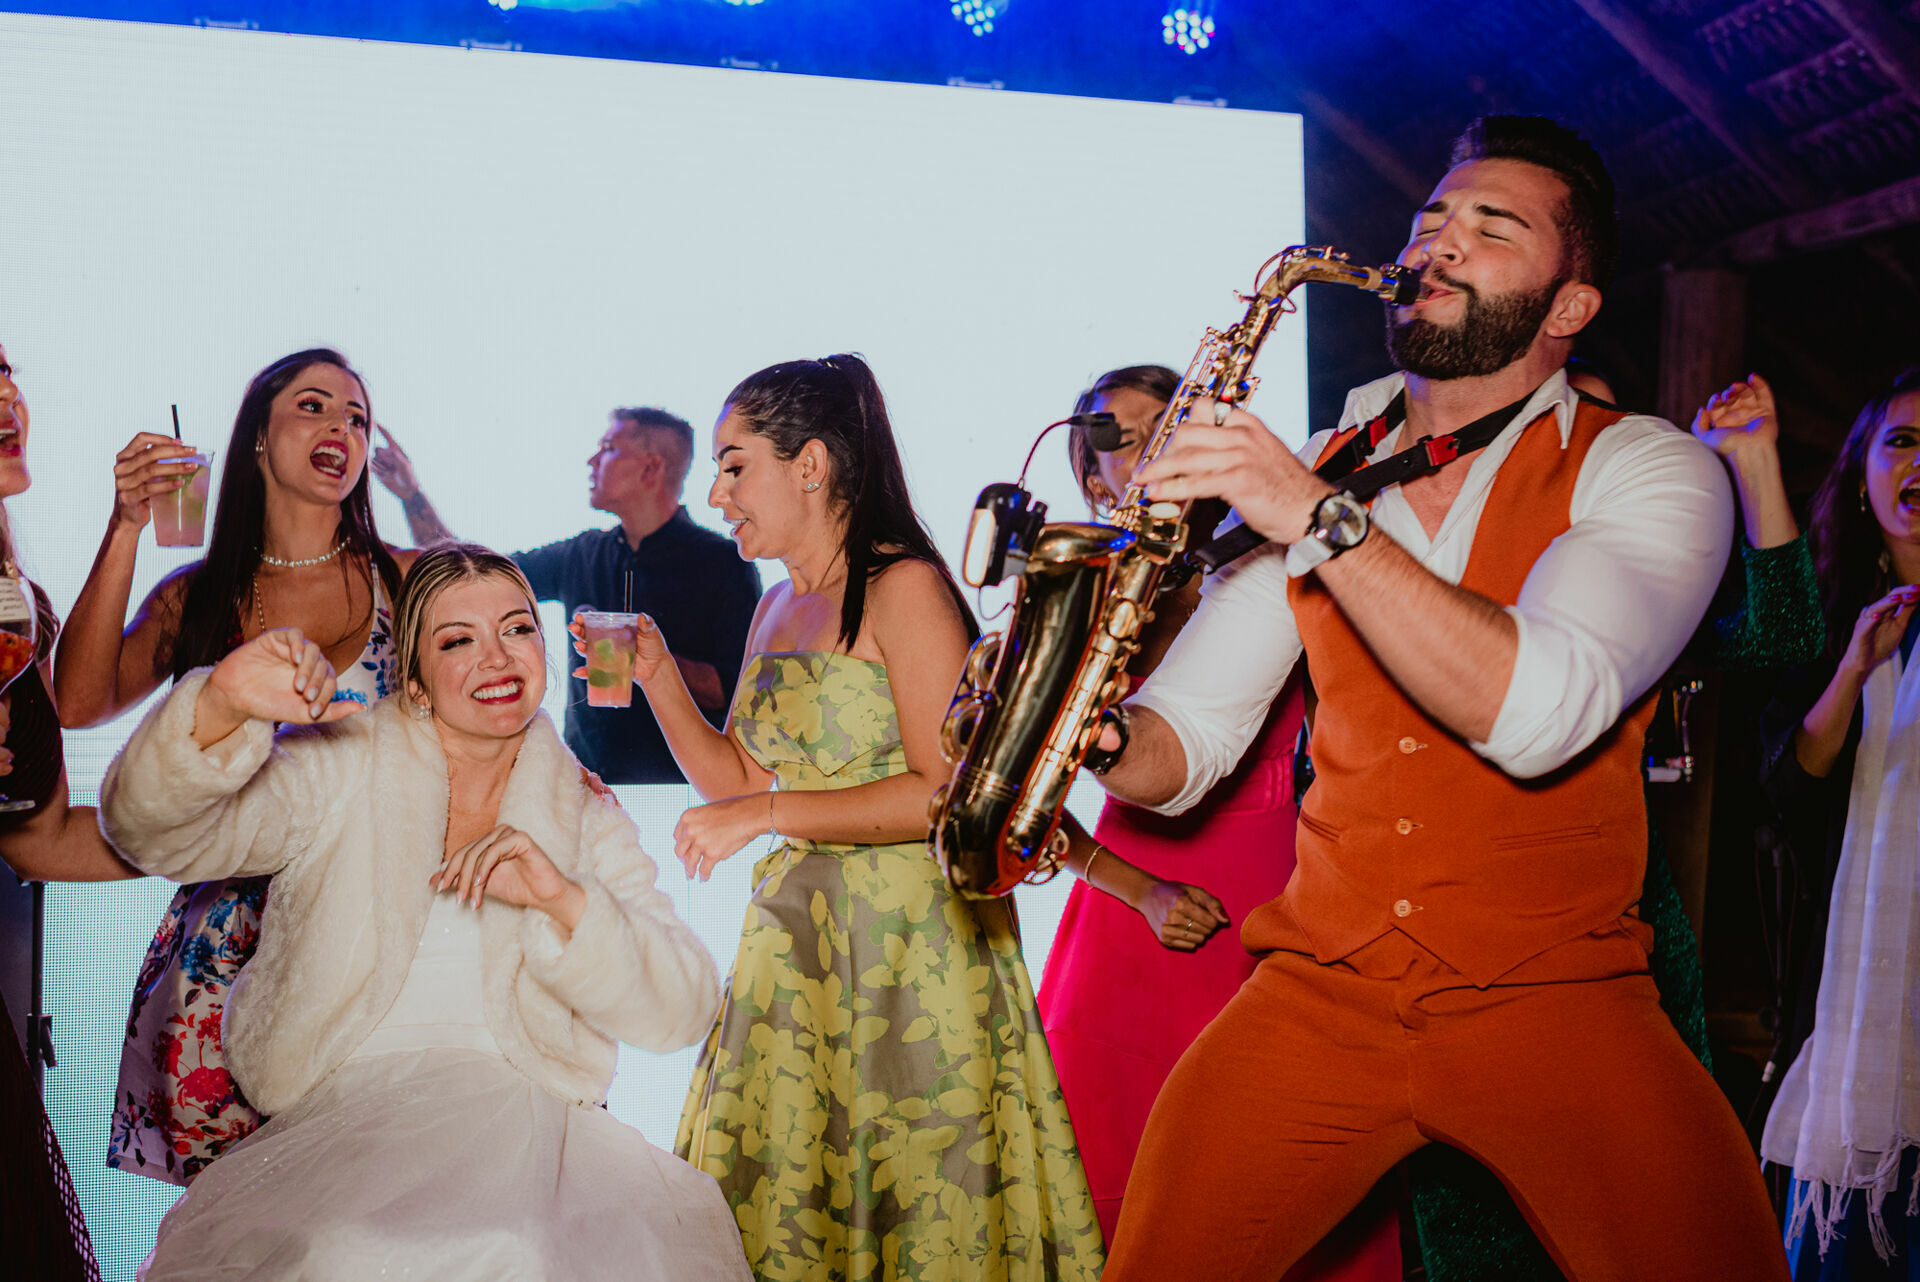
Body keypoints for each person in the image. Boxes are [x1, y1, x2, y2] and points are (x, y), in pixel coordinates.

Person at [1089, 115, 1788, 1280]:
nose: (1439, 241)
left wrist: (1313, 514)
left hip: (1559, 998)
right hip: (1321, 991)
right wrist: (1091, 723)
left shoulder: (1647, 465)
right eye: (1430, 220)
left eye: (1490, 226)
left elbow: (1541, 712)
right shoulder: (1324, 461)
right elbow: (1186, 748)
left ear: (1569, 307)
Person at [96, 543, 751, 1280]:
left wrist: (563, 901)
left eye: (517, 629)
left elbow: (686, 1007)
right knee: (344, 1254)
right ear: (414, 681)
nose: (497, 659)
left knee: (534, 1252)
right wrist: (219, 706)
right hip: (346, 1120)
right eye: (458, 640)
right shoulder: (340, 765)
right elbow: (151, 831)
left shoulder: (583, 811)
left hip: (535, 1124)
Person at [618, 354, 1102, 1280]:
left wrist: (766, 814)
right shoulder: (771, 612)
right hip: (796, 953)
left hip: (909, 953)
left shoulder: (903, 585)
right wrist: (660, 679)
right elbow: (734, 778)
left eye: (733, 464)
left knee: (924, 1204)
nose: (716, 494)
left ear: (810, 466)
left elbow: (943, 792)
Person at [1033, 364, 1400, 1279]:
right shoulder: (1077, 602)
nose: (1155, 447)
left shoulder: (1277, 561)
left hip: (1281, 901)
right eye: (1124, 438)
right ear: (1092, 479)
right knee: (1116, 1189)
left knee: (1294, 1194)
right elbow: (1012, 800)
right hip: (1129, 921)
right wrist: (1141, 890)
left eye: (1173, 423)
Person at [54, 347, 418, 1184]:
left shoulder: (401, 579)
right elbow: (77, 702)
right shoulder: (199, 594)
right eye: (315, 407)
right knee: (236, 1230)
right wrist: (125, 526)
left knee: (370, 1206)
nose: (342, 429)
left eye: (357, 418)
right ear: (257, 438)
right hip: (221, 956)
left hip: (369, 935)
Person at [1759, 366, 1920, 1279]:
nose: (1919, 460)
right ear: (1863, 474)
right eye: (1901, 440)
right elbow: (1792, 788)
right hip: (1848, 1017)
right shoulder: (1824, 624)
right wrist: (1855, 668)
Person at [375, 406, 762, 784]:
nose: (592, 460)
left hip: (681, 799)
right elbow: (467, 576)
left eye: (608, 448)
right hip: (585, 789)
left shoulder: (724, 562)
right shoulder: (582, 552)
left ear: (650, 468)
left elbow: (738, 691)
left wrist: (644, 658)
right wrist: (411, 496)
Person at [0, 341, 104, 1282]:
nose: (5, 398)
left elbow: (40, 839)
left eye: (6, 377)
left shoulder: (21, 606)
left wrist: (252, 828)